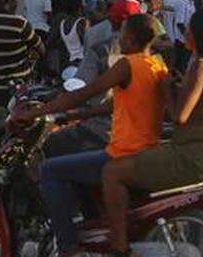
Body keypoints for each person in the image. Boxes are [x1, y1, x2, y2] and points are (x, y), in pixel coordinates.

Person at [14, 13, 167, 257]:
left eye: (124, 34)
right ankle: (95, 233)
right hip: (144, 149)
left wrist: (37, 112)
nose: (120, 38)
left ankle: (68, 247)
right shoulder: (157, 64)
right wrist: (75, 116)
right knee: (77, 173)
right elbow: (117, 104)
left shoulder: (127, 64)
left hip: (124, 153)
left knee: (50, 170)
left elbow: (85, 92)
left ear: (133, 39)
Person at [101, 7, 203, 255]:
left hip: (196, 153)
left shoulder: (201, 65)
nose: (185, 35)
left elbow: (179, 116)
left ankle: (118, 247)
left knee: (113, 172)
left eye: (188, 31)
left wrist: (165, 88)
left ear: (197, 35)